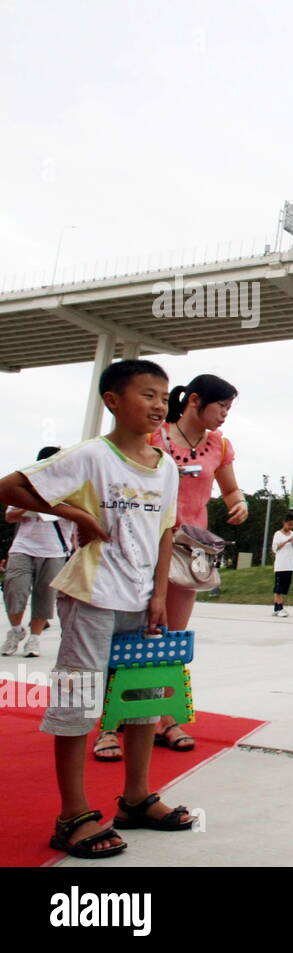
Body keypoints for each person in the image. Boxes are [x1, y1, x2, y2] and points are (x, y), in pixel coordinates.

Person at [0, 359, 193, 858]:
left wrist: (158, 595)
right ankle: (73, 815)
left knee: (145, 701)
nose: (158, 405)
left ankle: (135, 798)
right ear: (112, 400)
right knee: (79, 702)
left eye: (163, 396)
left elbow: (166, 530)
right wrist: (73, 512)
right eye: (147, 394)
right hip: (91, 597)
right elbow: (10, 486)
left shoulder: (166, 466)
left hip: (141, 603)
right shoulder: (92, 455)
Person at [136, 373, 246, 755]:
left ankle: (167, 718)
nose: (225, 416)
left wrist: (239, 503)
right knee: (132, 633)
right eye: (222, 407)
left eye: (230, 409)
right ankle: (114, 719)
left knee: (171, 637)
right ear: (195, 400)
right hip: (143, 546)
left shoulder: (220, 445)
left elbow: (230, 489)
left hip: (187, 551)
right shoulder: (154, 436)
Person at [3, 446, 75, 658]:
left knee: (45, 596)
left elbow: (78, 519)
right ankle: (16, 631)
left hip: (54, 549)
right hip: (23, 546)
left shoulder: (70, 489)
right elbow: (10, 516)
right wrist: (30, 507)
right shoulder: (26, 486)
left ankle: (34, 639)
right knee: (14, 589)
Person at [270, 516, 293, 617]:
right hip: (280, 565)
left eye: (292, 525)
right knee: (279, 588)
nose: (290, 527)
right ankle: (280, 607)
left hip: (289, 565)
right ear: (284, 523)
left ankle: (276, 608)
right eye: (289, 524)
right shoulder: (277, 534)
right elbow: (275, 548)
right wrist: (287, 541)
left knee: (284, 587)